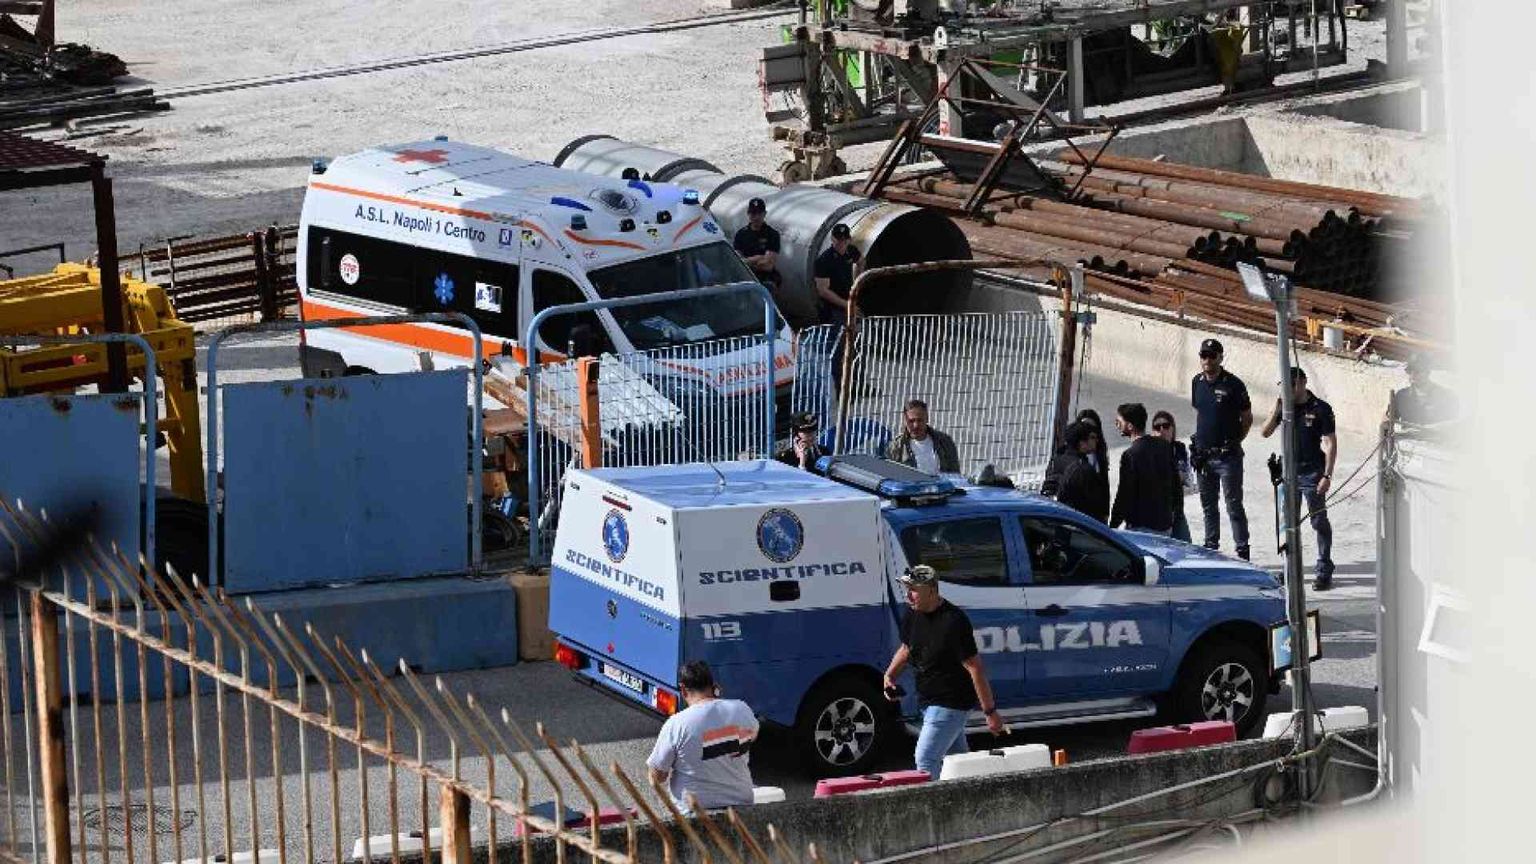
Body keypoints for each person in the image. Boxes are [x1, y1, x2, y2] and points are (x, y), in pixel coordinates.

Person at [882, 565, 1006, 779]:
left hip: (952, 702)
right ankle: (971, 800)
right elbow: (906, 648)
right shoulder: (912, 614)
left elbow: (974, 667)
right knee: (958, 761)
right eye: (906, 588)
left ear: (931, 590)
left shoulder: (954, 621)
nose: (907, 595)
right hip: (927, 702)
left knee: (925, 758)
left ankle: (936, 809)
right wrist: (890, 675)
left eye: (913, 589)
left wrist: (990, 712)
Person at [1261, 367, 1338, 590]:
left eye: (1292, 385)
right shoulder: (1285, 407)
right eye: (1284, 385)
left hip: (1313, 472)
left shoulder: (1320, 408)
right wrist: (1276, 410)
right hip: (1289, 473)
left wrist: (1327, 475)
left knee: (1318, 521)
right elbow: (1264, 432)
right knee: (1289, 524)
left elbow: (1331, 443)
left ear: (1303, 383)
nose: (1289, 390)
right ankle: (1290, 567)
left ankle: (1324, 568)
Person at [646, 661, 758, 813]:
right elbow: (753, 735)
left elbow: (656, 777)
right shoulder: (742, 709)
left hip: (694, 814)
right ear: (714, 686)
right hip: (741, 808)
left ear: (683, 689)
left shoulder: (677, 724)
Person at [1190, 338, 1253, 560]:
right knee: (1208, 505)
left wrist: (1235, 441)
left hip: (1228, 458)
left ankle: (1242, 549)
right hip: (1204, 456)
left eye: (1212, 355)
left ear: (1220, 357)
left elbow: (1247, 418)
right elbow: (1200, 411)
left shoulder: (1234, 385)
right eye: (1203, 355)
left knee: (1233, 505)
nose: (1207, 360)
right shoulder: (1196, 382)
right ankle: (1211, 547)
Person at [1109, 403, 1179, 535]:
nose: (1117, 425)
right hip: (1165, 525)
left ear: (1130, 426)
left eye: (1119, 422)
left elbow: (1124, 493)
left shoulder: (1130, 455)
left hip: (1141, 527)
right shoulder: (1164, 446)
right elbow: (1176, 485)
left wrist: (1113, 525)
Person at [1042, 420, 1109, 522]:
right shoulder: (1083, 469)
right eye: (1092, 438)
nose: (1096, 441)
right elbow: (1095, 505)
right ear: (1082, 443)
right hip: (1078, 524)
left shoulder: (1055, 461)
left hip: (1055, 518)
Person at [1151, 410, 1195, 543]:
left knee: (1186, 545)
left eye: (1166, 426)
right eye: (1157, 427)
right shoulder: (1149, 450)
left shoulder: (1179, 448)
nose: (1162, 430)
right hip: (1156, 510)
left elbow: (1182, 475)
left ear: (1173, 428)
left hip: (1175, 507)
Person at [886, 399, 961, 474]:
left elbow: (955, 474)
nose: (916, 425)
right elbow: (890, 476)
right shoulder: (896, 447)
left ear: (927, 418)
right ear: (905, 421)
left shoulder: (945, 442)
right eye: (911, 421)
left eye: (920, 420)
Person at [812, 223, 862, 326]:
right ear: (832, 239)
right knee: (839, 334)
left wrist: (857, 280)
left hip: (848, 300)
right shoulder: (824, 260)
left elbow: (861, 261)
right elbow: (823, 291)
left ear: (849, 239)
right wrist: (847, 305)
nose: (842, 243)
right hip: (832, 308)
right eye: (839, 239)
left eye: (845, 239)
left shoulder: (851, 251)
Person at [1386, 353, 1456, 425]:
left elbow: (1454, 427)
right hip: (1407, 436)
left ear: (1427, 372)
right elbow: (1387, 421)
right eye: (1410, 371)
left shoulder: (1446, 396)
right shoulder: (1401, 396)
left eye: (1418, 371)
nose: (1413, 375)